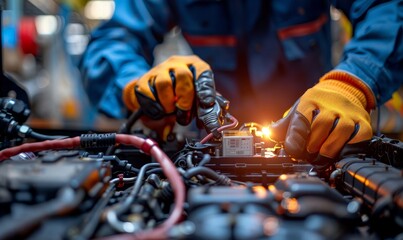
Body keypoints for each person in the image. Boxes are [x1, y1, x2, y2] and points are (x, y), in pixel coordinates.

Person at [80, 1, 403, 165]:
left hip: (318, 145)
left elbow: (386, 9)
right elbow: (112, 41)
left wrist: (351, 84)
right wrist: (138, 87)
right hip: (208, 151)